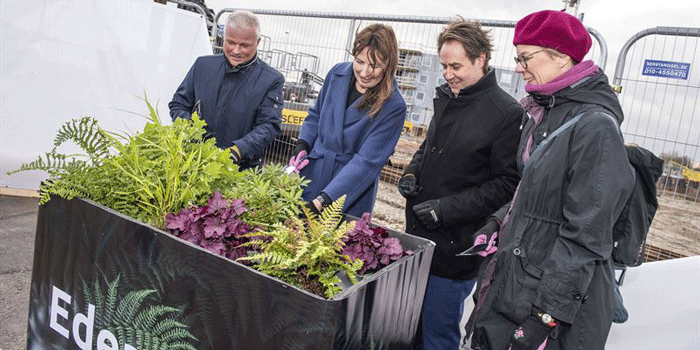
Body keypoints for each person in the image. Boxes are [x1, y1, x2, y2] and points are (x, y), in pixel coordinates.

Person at [467, 10, 635, 350]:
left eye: (525, 57)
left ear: (561, 58)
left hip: (550, 308)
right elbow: (533, 192)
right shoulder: (542, 112)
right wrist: (498, 221)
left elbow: (586, 235)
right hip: (515, 287)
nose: (517, 67)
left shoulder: (595, 127)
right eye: (517, 58)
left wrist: (545, 316)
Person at [397, 18, 523, 350]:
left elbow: (507, 183)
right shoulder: (449, 96)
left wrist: (445, 210)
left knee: (437, 334)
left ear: (481, 59)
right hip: (419, 237)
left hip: (455, 245)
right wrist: (411, 172)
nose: (448, 73)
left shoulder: (506, 113)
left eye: (456, 66)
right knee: (408, 329)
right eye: (444, 66)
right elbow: (428, 146)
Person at [288, 24, 406, 217]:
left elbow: (366, 163)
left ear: (388, 65)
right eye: (359, 61)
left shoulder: (393, 106)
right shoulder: (337, 74)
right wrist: (303, 144)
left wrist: (324, 201)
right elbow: (316, 114)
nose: (365, 72)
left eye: (374, 66)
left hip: (347, 190)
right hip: (313, 173)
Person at [169, 10, 284, 170]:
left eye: (244, 45)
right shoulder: (203, 66)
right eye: (230, 42)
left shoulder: (270, 80)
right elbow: (178, 104)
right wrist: (190, 130)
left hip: (241, 169)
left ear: (258, 42)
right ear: (223, 38)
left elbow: (269, 125)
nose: (236, 51)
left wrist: (239, 150)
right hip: (195, 163)